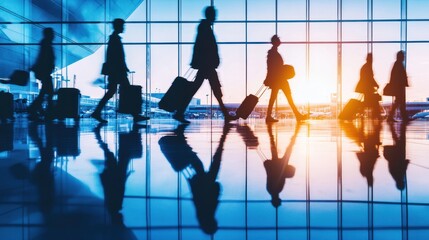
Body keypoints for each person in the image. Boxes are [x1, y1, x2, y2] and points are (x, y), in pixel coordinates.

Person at [173, 6, 236, 124]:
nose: (215, 17)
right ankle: (180, 112)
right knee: (215, 90)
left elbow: (198, 46)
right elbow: (203, 47)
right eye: (214, 14)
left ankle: (179, 112)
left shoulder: (204, 27)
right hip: (207, 65)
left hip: (205, 65)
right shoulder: (205, 28)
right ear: (210, 15)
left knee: (200, 89)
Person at [91, 18, 149, 124]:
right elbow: (116, 57)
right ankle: (135, 115)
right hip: (117, 72)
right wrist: (122, 67)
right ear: (118, 26)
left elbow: (114, 57)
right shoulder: (114, 39)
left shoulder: (114, 38)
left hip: (116, 71)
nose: (124, 28)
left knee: (113, 92)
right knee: (127, 92)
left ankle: (97, 112)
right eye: (122, 26)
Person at [264, 35, 307, 123]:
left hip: (278, 79)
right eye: (279, 40)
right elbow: (271, 67)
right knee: (287, 97)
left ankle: (269, 116)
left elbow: (271, 67)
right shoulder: (273, 53)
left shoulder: (273, 53)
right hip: (279, 79)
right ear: (275, 42)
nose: (280, 42)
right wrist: (268, 78)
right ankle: (297, 115)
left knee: (275, 97)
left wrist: (268, 78)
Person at [264, 123, 301, 208]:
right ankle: (271, 135)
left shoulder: (277, 190)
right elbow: (270, 176)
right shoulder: (271, 190)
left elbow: (279, 177)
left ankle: (294, 137)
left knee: (288, 150)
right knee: (276, 149)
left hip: (279, 167)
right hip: (276, 166)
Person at [28, 28, 55, 121]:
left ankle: (37, 110)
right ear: (49, 34)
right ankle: (47, 112)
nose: (54, 35)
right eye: (52, 33)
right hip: (45, 72)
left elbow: (41, 57)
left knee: (45, 93)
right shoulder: (46, 44)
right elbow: (44, 58)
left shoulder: (45, 43)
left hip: (45, 72)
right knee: (49, 92)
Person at [355, 53, 381, 119]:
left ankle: (374, 114)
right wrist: (376, 84)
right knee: (372, 101)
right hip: (367, 88)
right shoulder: (368, 67)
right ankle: (376, 115)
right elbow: (370, 78)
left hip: (364, 87)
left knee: (369, 101)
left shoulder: (365, 66)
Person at [386, 51, 410, 122]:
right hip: (399, 87)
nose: (404, 57)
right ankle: (402, 117)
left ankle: (393, 117)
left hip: (398, 87)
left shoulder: (397, 64)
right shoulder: (399, 64)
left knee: (399, 102)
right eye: (403, 56)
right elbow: (399, 77)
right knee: (399, 102)